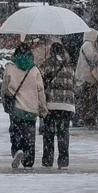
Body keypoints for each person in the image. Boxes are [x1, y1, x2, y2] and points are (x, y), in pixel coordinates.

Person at [2, 36, 47, 169]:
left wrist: (4, 101)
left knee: (15, 131)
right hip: (31, 108)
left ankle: (17, 150)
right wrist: (43, 107)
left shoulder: (10, 68)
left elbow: (4, 88)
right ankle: (28, 160)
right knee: (29, 136)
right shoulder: (34, 70)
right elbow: (40, 91)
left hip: (16, 107)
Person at [39, 38, 75, 170]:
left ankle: (48, 160)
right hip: (67, 105)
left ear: (51, 51)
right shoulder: (69, 66)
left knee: (49, 133)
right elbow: (74, 83)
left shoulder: (47, 64)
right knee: (63, 133)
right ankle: (63, 161)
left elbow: (40, 82)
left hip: (51, 105)